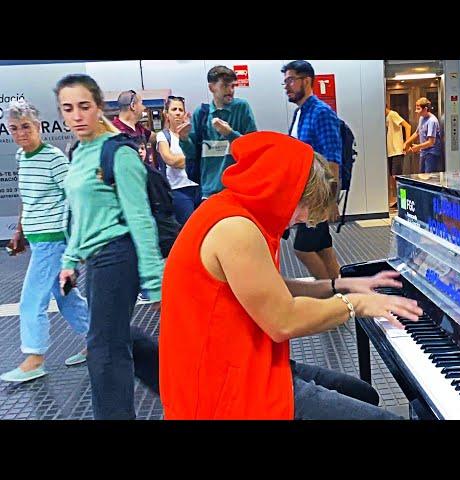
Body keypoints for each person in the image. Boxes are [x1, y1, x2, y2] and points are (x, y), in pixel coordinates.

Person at [159, 131, 423, 419]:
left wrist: (340, 285)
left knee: (363, 393)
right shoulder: (235, 229)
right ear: (284, 190)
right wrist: (356, 305)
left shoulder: (234, 211)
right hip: (224, 389)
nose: (302, 219)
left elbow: (272, 290)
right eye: (305, 207)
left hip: (239, 361)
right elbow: (283, 321)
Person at [55, 73, 164, 420]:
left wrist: (155, 282)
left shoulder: (118, 153)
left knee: (104, 349)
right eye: (68, 108)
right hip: (97, 260)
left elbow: (141, 219)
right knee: (115, 335)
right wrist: (70, 259)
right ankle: (180, 383)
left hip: (119, 255)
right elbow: (80, 215)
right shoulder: (78, 152)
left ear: (99, 107)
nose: (76, 116)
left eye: (84, 106)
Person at [0, 100, 89, 383]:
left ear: (38, 126)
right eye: (14, 128)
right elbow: (27, 199)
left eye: (26, 127)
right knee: (65, 297)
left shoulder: (53, 158)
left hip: (53, 240)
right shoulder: (21, 157)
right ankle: (98, 342)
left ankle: (34, 358)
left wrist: (78, 242)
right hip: (39, 239)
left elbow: (75, 197)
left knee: (30, 301)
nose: (21, 133)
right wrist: (20, 232)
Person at [281, 60, 342, 280]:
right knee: (324, 249)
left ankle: (328, 295)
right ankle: (342, 295)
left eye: (290, 80)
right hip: (305, 195)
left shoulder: (321, 113)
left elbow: (333, 158)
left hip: (316, 198)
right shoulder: (300, 113)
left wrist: (331, 200)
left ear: (306, 81)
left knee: (303, 249)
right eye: (285, 81)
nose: (286, 86)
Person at [177, 66, 257, 201]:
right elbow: (192, 154)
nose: (230, 91)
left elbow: (253, 148)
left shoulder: (242, 107)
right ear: (211, 88)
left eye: (233, 86)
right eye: (225, 86)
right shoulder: (201, 114)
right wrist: (184, 138)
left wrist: (230, 134)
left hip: (238, 190)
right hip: (209, 192)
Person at [155, 96, 199, 225]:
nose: (178, 112)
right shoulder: (163, 136)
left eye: (181, 109)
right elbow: (171, 160)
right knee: (189, 226)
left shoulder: (192, 135)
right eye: (174, 109)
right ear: (166, 114)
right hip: (178, 191)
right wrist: (191, 159)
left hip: (197, 187)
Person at [403, 97, 443, 173]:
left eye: (418, 109)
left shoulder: (432, 121)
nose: (416, 111)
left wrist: (418, 147)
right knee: (422, 175)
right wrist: (406, 143)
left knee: (428, 177)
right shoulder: (422, 118)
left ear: (425, 109)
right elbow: (417, 132)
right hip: (424, 152)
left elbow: (431, 142)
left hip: (432, 154)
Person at [385, 105, 412, 207]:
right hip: (391, 151)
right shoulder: (387, 117)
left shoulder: (393, 114)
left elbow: (407, 126)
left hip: (397, 150)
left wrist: (407, 143)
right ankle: (398, 200)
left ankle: (403, 201)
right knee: (393, 177)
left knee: (397, 177)